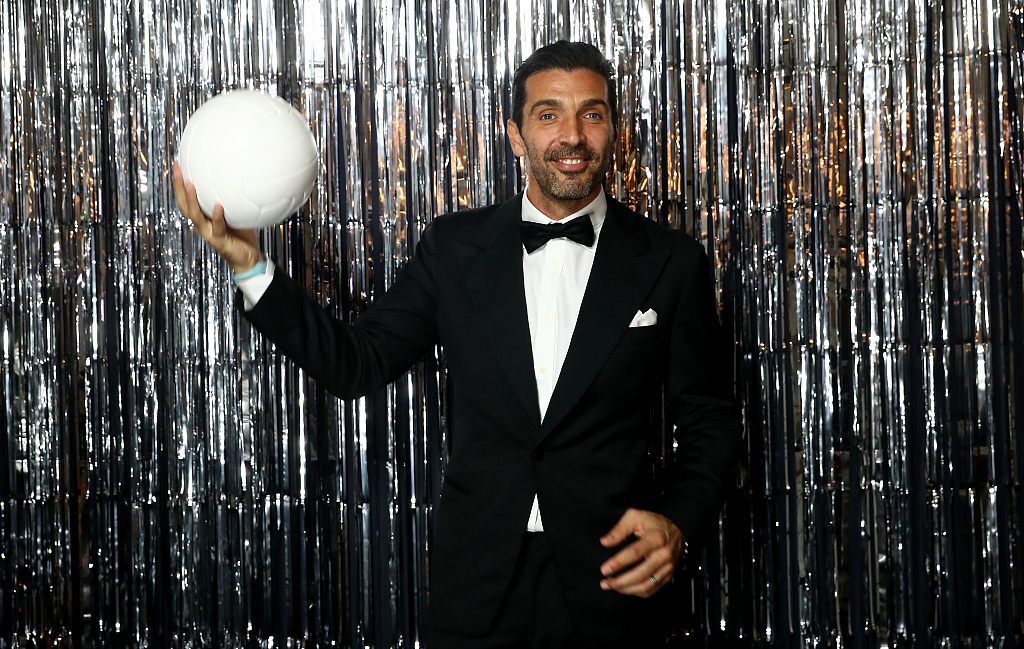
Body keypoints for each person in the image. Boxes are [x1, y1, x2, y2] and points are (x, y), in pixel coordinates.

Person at [174, 40, 742, 649]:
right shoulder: (454, 247)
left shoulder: (672, 262)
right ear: (516, 136)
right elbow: (356, 364)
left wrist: (679, 523)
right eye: (548, 114)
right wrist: (250, 265)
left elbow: (708, 418)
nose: (572, 135)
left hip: (614, 586)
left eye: (592, 113)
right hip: (478, 587)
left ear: (612, 129)